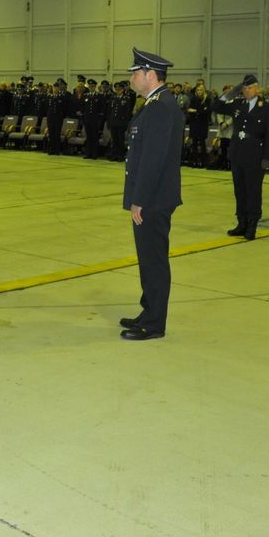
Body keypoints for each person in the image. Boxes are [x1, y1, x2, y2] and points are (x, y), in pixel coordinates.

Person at [120, 48, 183, 341]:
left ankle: (155, 323)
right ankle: (149, 311)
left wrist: (139, 199)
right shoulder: (155, 103)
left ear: (150, 75)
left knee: (154, 259)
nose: (131, 78)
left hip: (153, 199)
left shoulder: (159, 107)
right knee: (148, 258)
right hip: (154, 196)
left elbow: (153, 159)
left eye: (135, 73)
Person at [213, 74, 269, 241]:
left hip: (256, 154)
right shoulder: (237, 104)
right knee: (239, 190)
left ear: (257, 89)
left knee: (253, 191)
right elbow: (216, 106)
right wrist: (232, 92)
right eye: (244, 88)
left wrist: (268, 157)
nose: (246, 91)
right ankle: (241, 223)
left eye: (249, 88)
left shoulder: (267, 108)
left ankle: (252, 225)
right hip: (237, 153)